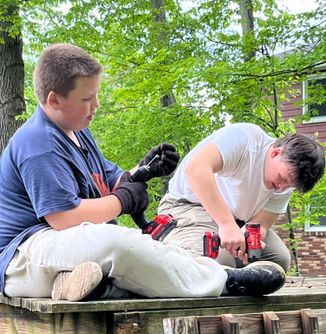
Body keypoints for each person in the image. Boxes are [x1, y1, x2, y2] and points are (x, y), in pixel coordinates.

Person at [0, 44, 286, 302]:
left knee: (136, 242)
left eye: (96, 95)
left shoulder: (76, 131)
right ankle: (225, 280)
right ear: (54, 100)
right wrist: (122, 201)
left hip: (58, 248)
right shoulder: (39, 144)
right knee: (115, 242)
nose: (96, 105)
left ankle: (95, 286)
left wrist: (141, 172)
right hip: (21, 256)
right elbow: (63, 217)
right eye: (87, 99)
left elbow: (111, 181)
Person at [158, 123, 325, 270]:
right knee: (218, 260)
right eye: (282, 178)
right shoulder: (245, 138)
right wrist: (227, 225)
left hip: (234, 220)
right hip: (188, 205)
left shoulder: (286, 183)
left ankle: (228, 272)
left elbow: (260, 225)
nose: (282, 187)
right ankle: (173, 244)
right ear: (275, 153)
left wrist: (249, 239)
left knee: (278, 260)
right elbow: (195, 168)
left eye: (290, 186)